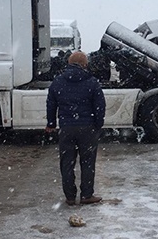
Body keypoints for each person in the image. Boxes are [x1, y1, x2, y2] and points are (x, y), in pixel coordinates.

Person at [46, 51, 106, 205]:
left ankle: (70, 196)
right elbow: (100, 106)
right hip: (87, 128)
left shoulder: (58, 81)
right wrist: (98, 124)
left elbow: (51, 103)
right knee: (87, 162)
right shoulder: (92, 82)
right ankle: (87, 195)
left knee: (67, 162)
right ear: (85, 64)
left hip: (66, 128)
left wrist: (51, 123)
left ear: (69, 63)